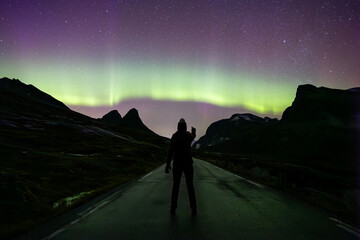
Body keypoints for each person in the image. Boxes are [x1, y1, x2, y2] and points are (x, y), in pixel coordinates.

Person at [165, 118, 197, 216]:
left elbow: (171, 151)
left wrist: (168, 164)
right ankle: (193, 207)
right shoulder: (188, 136)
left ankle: (173, 207)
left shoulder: (175, 136)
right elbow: (192, 136)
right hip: (188, 164)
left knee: (176, 186)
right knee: (190, 186)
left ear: (178, 126)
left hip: (177, 164)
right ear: (185, 126)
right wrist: (194, 132)